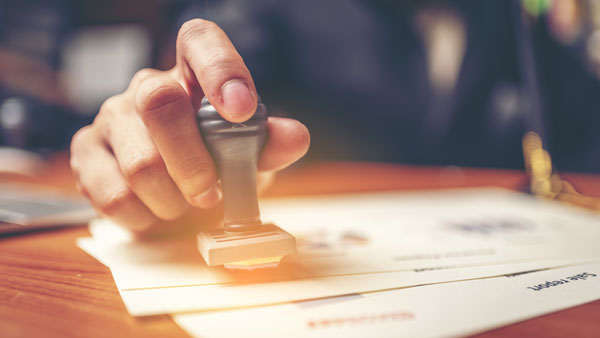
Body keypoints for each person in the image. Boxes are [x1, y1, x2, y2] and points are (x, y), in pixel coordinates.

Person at [70, 0, 600, 232]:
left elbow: (581, 122)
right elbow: (204, 77)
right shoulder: (273, 9)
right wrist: (164, 135)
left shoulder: (508, 18)